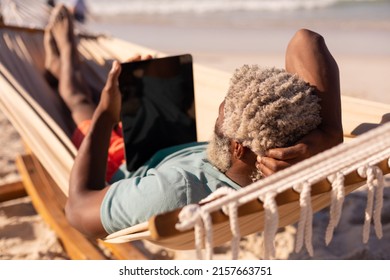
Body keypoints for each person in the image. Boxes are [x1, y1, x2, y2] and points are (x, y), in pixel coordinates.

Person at [44, 5, 342, 238]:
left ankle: (65, 61)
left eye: (222, 113)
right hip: (167, 148)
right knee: (135, 84)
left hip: (118, 164)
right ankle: (94, 81)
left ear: (238, 148)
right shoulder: (302, 145)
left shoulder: (176, 192)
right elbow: (306, 41)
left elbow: (78, 208)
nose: (219, 111)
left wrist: (107, 114)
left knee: (80, 101)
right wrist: (330, 135)